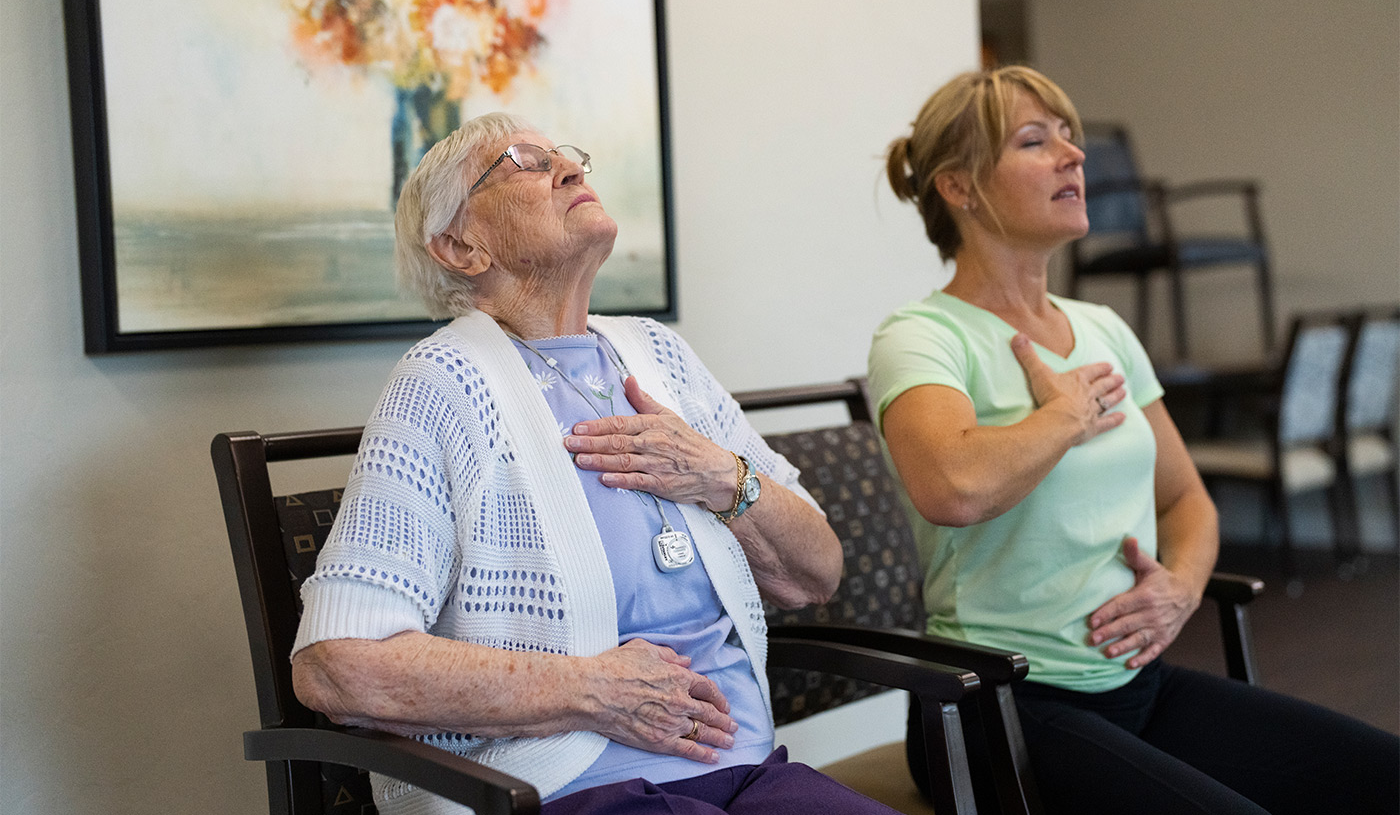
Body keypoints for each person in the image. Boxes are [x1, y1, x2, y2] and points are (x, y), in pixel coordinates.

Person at [290, 112, 899, 815]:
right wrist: (592, 691)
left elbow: (817, 570)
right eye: (524, 161)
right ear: (460, 246)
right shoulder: (444, 381)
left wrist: (722, 477)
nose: (572, 169)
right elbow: (338, 665)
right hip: (566, 789)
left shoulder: (658, 354)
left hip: (750, 772)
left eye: (568, 157)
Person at [870, 65, 1399, 815]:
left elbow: (1187, 500)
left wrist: (1180, 589)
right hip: (998, 710)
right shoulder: (922, 336)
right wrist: (1063, 417)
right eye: (1035, 140)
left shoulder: (1104, 330)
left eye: (1069, 137)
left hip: (1139, 683)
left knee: (1384, 776)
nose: (1073, 156)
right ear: (959, 188)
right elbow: (953, 487)